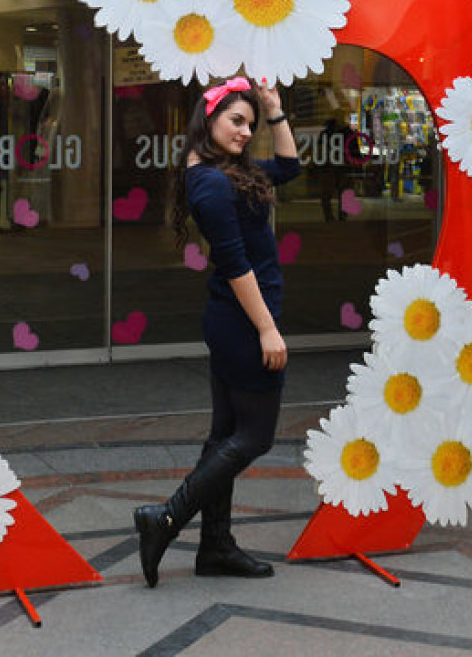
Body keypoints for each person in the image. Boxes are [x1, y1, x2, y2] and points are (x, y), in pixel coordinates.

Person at [133, 75, 299, 588]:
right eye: (236, 120)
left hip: (233, 321)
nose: (247, 132)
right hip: (243, 324)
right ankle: (165, 518)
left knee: (225, 436)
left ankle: (216, 547)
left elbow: (290, 168)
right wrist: (268, 330)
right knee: (254, 436)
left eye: (250, 124)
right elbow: (233, 262)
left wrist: (272, 109)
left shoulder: (227, 172)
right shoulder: (209, 182)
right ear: (208, 119)